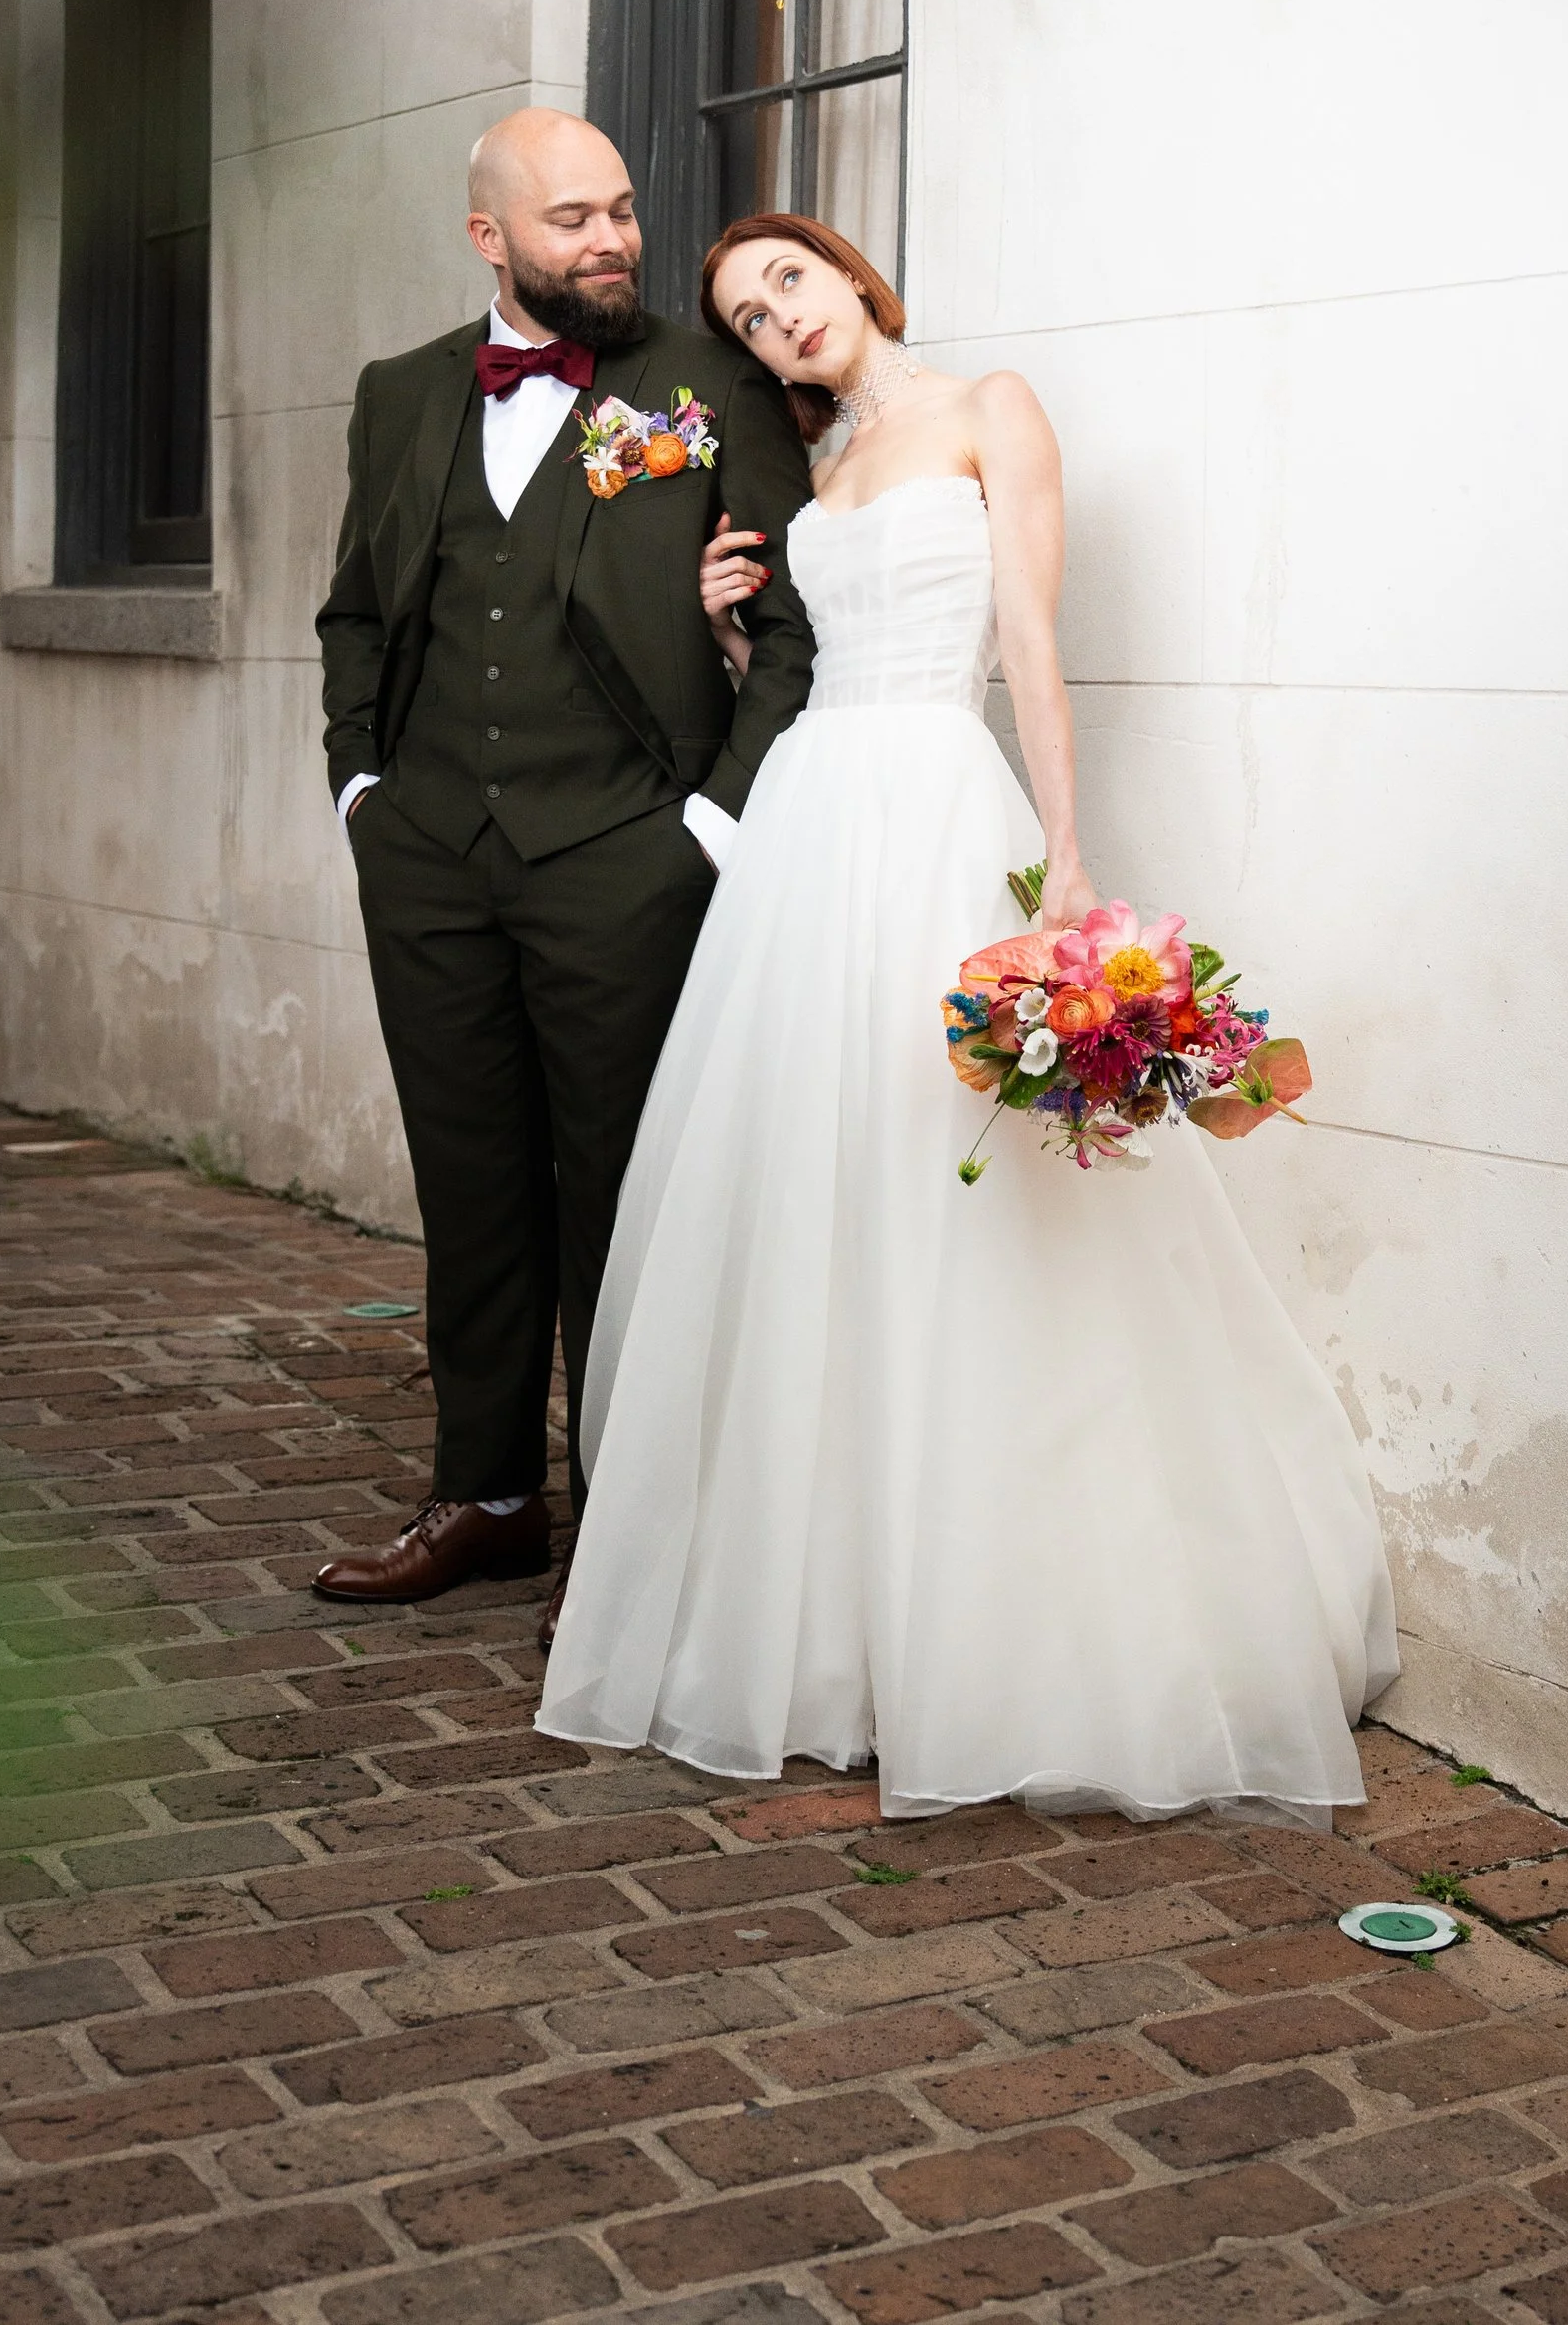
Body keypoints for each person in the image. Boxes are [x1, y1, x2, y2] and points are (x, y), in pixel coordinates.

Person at [538, 211, 1397, 1818]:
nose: (778, 318)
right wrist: (732, 624)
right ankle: (833, 1618)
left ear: (850, 273)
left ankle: (997, 1614)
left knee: (966, 1185)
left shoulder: (992, 407)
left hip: (937, 800)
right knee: (826, 1177)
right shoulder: (806, 475)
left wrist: (1066, 856)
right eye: (745, 315)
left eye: (788, 280)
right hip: (811, 822)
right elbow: (806, 658)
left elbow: (1031, 646)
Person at [310, 116, 815, 1618]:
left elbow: (794, 625)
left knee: (620, 1193)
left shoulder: (711, 379)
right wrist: (361, 786)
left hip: (628, 852)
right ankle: (486, 1494)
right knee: (468, 1180)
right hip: (431, 855)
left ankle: (631, 1522)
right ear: (491, 239)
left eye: (623, 210)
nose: (612, 240)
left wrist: (712, 822)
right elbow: (355, 609)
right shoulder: (401, 392)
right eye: (573, 218)